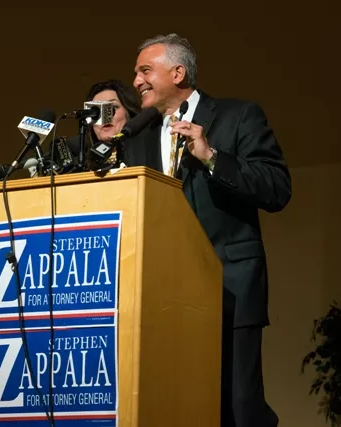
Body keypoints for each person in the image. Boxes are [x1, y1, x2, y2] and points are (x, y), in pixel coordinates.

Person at [125, 33, 292, 427]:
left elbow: (276, 189)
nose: (136, 81)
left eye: (145, 71)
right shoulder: (137, 138)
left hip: (229, 288)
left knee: (238, 409)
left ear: (178, 73)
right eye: (135, 73)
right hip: (162, 297)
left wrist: (211, 156)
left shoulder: (239, 115)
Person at [29, 79, 141, 176]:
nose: (105, 116)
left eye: (112, 107)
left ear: (129, 113)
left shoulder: (145, 151)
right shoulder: (79, 163)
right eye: (97, 111)